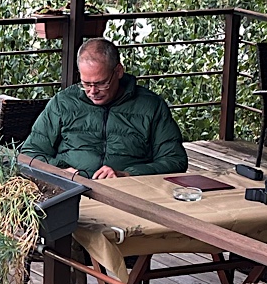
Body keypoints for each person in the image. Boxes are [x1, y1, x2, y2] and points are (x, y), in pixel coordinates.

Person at [24, 36, 187, 181]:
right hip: (70, 188)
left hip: (129, 192)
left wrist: (128, 174)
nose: (93, 92)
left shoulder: (151, 106)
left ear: (118, 71)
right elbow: (30, 153)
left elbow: (175, 160)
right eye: (86, 84)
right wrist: (59, 171)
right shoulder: (63, 102)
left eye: (101, 83)